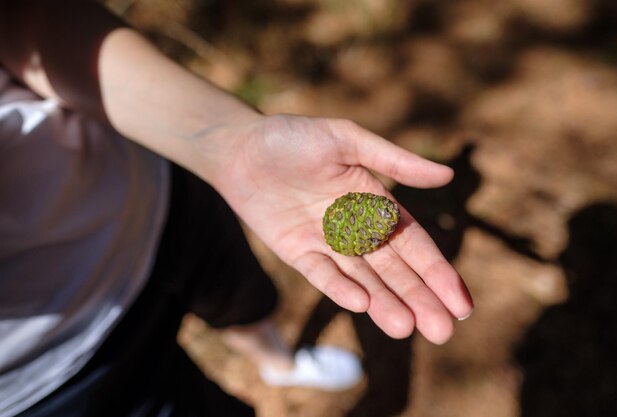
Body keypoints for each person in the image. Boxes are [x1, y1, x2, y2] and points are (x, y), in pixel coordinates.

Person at [0, 1, 474, 416]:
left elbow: (27, 21)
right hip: (49, 377)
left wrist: (229, 142)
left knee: (242, 298)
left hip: (156, 191)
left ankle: (279, 363)